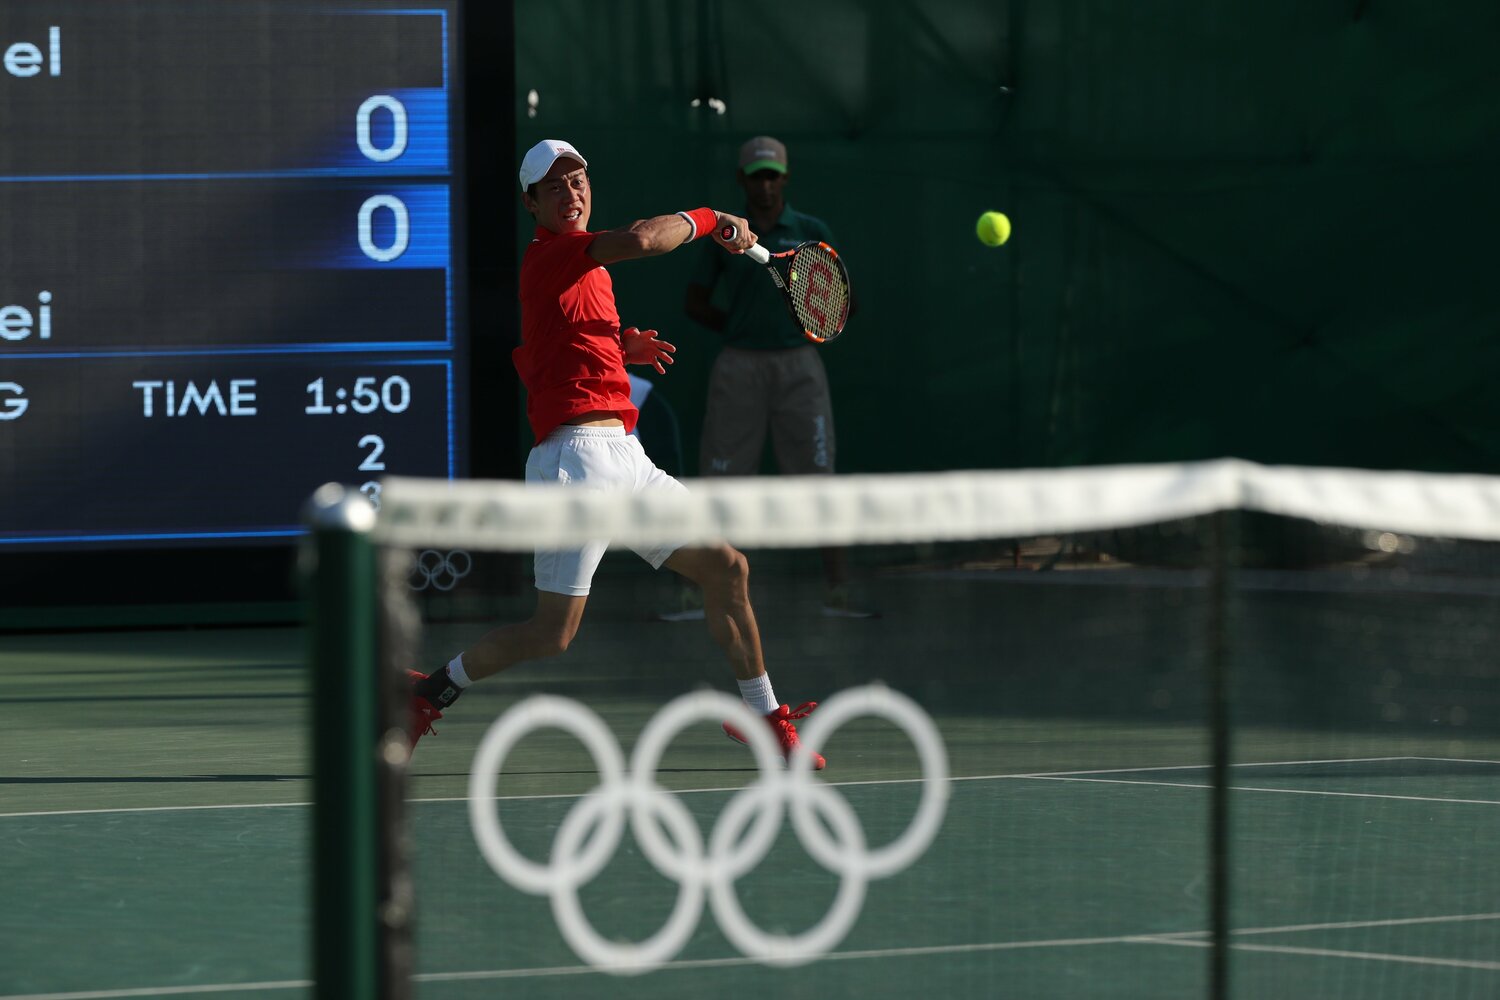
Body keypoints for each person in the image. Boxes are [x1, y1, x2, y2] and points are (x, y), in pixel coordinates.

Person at [407, 138, 825, 768]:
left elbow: (555, 342)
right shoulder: (558, 254)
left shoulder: (584, 272)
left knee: (727, 568)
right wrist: (711, 220)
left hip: (627, 456)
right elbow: (643, 239)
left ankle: (764, 716)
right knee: (553, 634)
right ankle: (430, 691)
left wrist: (614, 349)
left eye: (578, 181)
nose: (570, 194)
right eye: (554, 187)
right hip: (576, 464)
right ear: (532, 203)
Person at [662, 136, 875, 622]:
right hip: (738, 366)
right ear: (742, 179)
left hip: (800, 367)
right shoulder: (724, 235)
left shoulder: (810, 231)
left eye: (772, 174)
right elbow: (695, 302)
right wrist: (739, 329)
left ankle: (838, 591)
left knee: (818, 480)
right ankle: (700, 592)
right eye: (756, 175)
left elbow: (846, 302)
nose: (765, 184)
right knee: (721, 483)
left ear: (785, 177)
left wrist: (807, 313)